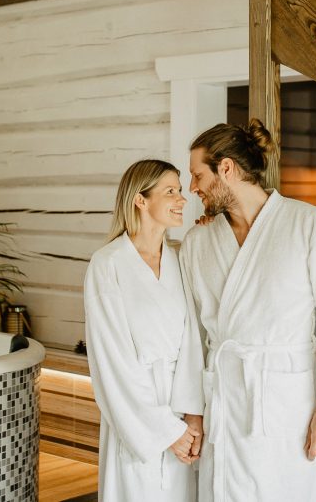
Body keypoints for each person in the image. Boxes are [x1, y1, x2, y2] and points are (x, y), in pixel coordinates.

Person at [179, 120, 316, 502]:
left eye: (198, 175)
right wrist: (193, 413)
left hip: (290, 406)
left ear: (226, 169)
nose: (192, 188)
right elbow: (191, 336)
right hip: (226, 405)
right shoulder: (198, 242)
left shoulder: (309, 225)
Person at [85, 159, 206, 501]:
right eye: (170, 192)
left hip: (182, 412)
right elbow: (111, 360)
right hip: (135, 417)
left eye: (180, 190)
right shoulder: (108, 264)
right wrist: (164, 431)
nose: (182, 199)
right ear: (140, 199)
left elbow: (194, 341)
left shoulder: (180, 259)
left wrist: (192, 417)